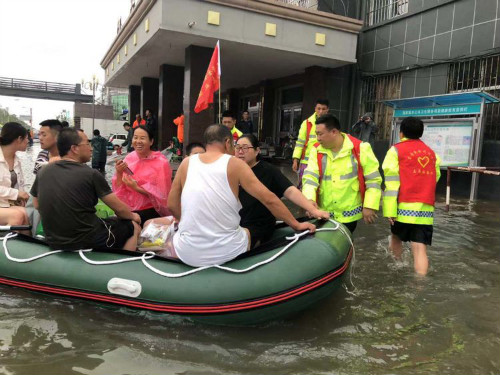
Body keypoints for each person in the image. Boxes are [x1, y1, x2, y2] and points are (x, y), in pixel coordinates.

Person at [167, 125, 316, 267]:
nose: (237, 151)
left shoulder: (186, 163)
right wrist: (296, 225)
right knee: (246, 232)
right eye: (235, 146)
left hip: (187, 251)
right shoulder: (235, 164)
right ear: (227, 143)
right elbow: (269, 199)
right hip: (226, 251)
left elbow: (172, 205)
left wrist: (187, 222)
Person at [30, 128, 141, 251]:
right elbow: (120, 209)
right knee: (132, 226)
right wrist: (133, 216)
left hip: (54, 238)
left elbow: (36, 204)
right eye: (88, 144)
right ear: (74, 148)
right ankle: (122, 266)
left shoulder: (43, 171)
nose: (91, 148)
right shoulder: (91, 174)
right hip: (87, 239)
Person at [237, 134, 330, 247]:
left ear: (257, 151)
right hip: (235, 224)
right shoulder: (230, 169)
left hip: (256, 227)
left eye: (245, 147)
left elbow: (290, 191)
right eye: (237, 147)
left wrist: (313, 210)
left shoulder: (268, 170)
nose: (240, 151)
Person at [302, 114, 382, 234]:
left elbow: (373, 180)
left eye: (320, 134)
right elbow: (310, 178)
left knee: (342, 244)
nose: (317, 138)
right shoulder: (316, 150)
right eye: (316, 134)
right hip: (324, 213)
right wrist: (309, 199)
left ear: (334, 132)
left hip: (349, 215)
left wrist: (370, 205)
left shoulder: (360, 148)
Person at [382, 116, 441, 276]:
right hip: (425, 209)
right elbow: (435, 177)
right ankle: (420, 285)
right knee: (420, 249)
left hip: (403, 207)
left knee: (395, 238)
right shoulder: (431, 153)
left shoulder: (396, 150)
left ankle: (397, 268)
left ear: (401, 133)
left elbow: (391, 182)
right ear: (420, 133)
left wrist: (389, 210)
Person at [113, 126, 172, 225]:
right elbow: (119, 189)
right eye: (135, 137)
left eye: (142, 138)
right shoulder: (129, 158)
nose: (138, 141)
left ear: (151, 141)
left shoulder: (161, 162)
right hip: (129, 208)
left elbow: (162, 195)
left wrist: (136, 188)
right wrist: (119, 172)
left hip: (151, 209)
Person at [292, 99, 329, 189]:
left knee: (321, 189)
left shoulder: (331, 124)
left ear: (328, 110)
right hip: (306, 163)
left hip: (325, 162)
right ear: (315, 109)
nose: (321, 111)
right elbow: (300, 143)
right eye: (319, 108)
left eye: (323, 109)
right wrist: (295, 159)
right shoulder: (307, 123)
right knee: (305, 187)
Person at [0, 122, 30, 227]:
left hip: (7, 205)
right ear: (19, 139)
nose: (28, 141)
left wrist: (21, 198)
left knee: (27, 213)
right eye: (26, 138)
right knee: (17, 216)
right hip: (3, 205)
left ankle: (26, 243)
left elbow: (20, 186)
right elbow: (17, 192)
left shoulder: (17, 160)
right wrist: (17, 194)